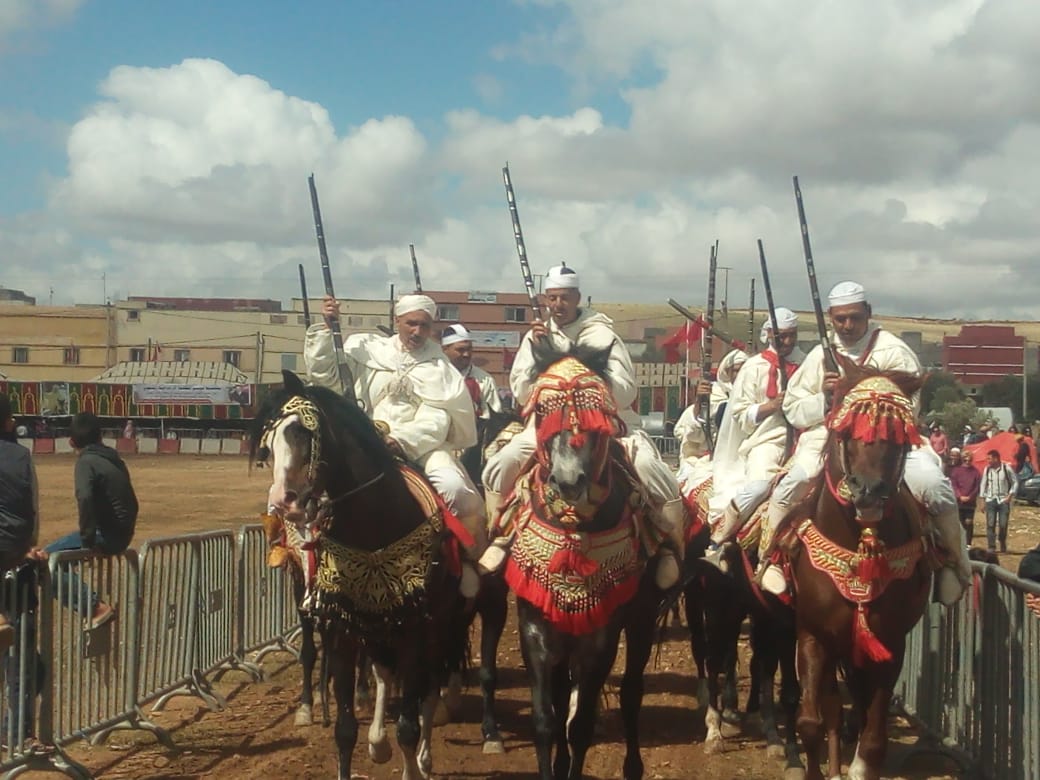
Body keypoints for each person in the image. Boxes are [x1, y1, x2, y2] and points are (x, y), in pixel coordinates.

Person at [757, 281, 971, 605]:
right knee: (792, 484)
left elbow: (910, 405)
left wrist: (858, 400)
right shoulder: (820, 356)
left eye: (854, 317)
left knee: (934, 486)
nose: (847, 325)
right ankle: (771, 557)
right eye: (840, 318)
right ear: (830, 317)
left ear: (868, 313)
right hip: (828, 438)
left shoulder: (894, 351)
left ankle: (953, 563)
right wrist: (825, 397)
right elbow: (793, 409)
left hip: (891, 443)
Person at [481, 264, 684, 589]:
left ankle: (669, 549)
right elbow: (521, 392)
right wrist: (540, 356)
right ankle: (498, 535)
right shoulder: (536, 336)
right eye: (551, 298)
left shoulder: (602, 335)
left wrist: (582, 379)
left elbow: (625, 390)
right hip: (547, 428)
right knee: (501, 464)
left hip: (605, 425)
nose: (557, 304)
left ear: (577, 297)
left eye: (564, 297)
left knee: (651, 469)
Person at [304, 294, 486, 597]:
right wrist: (327, 329)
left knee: (454, 487)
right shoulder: (368, 350)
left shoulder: (440, 368)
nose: (417, 331)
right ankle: (309, 566)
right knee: (312, 491)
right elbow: (325, 378)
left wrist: (401, 441)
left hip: (423, 447)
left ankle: (461, 560)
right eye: (411, 323)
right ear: (396, 321)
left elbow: (439, 418)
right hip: (365, 444)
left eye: (424, 326)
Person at [704, 308, 804, 560]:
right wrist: (771, 406)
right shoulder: (753, 367)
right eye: (780, 336)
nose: (786, 341)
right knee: (759, 487)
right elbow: (740, 415)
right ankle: (720, 537)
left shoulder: (808, 364)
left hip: (805, 441)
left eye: (791, 335)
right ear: (768, 334)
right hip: (766, 440)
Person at [45, 412, 138, 628]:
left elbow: (85, 497)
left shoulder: (86, 462)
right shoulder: (114, 459)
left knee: (46, 563)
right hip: (123, 533)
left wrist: (88, 541)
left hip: (105, 534)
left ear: (71, 442)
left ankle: (94, 607)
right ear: (100, 436)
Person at [0, 397, 44, 652]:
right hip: (18, 542)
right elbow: (33, 501)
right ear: (9, 423)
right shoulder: (22, 454)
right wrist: (29, 543)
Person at [440, 324, 503, 420]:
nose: (466, 354)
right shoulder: (432, 375)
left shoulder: (485, 380)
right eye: (460, 350)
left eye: (469, 349)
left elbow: (494, 417)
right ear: (445, 349)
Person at [979, 449, 1016, 554]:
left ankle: (1002, 541)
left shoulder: (1006, 468)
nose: (988, 461)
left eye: (989, 459)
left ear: (996, 458)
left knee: (1003, 524)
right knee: (990, 524)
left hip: (1003, 500)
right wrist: (982, 500)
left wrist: (1010, 495)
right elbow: (983, 484)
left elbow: (1015, 482)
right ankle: (991, 546)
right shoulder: (987, 469)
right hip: (991, 499)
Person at [949, 449, 981, 543]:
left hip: (970, 502)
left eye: (969, 460)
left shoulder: (975, 472)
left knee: (969, 522)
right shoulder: (956, 471)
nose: (967, 462)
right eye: (965, 460)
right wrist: (959, 496)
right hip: (959, 501)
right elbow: (954, 485)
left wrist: (970, 497)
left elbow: (977, 486)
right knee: (960, 523)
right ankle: (960, 542)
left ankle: (968, 543)